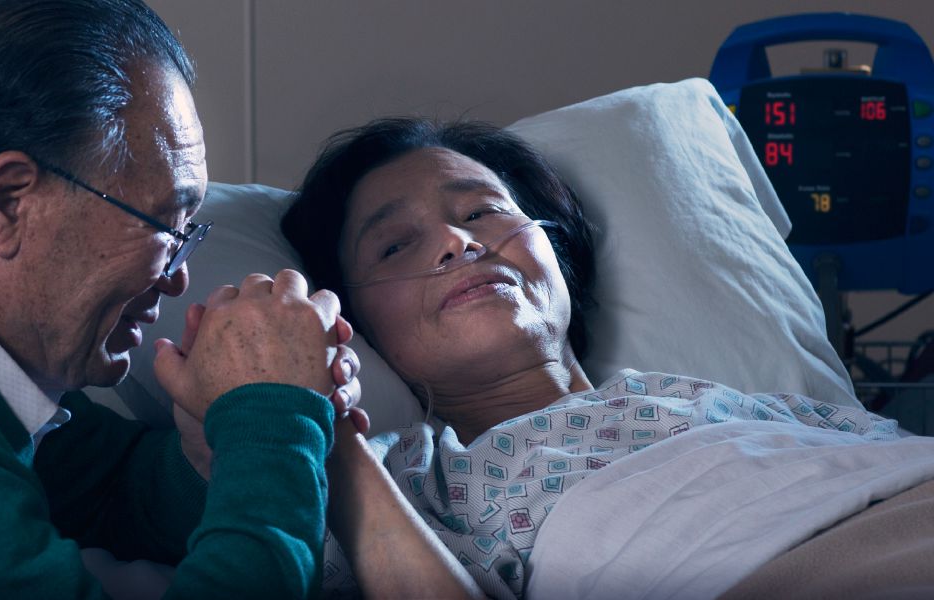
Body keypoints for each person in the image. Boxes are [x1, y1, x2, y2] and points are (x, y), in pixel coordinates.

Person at [0, 1, 435, 597]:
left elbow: (102, 487)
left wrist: (207, 445)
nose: (179, 276)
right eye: (167, 224)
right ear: (10, 202)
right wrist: (273, 421)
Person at [281, 117, 934, 599]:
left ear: (558, 257)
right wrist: (327, 434)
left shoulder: (740, 404)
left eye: (482, 211)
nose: (457, 240)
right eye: (395, 246)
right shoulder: (413, 485)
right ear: (359, 328)